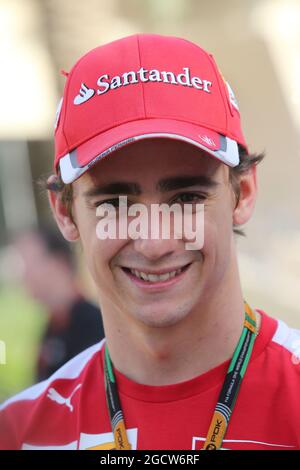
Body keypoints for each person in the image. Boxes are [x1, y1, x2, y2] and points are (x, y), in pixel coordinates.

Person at [0, 33, 299, 451]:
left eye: (187, 198)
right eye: (114, 205)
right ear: (65, 212)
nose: (154, 242)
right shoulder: (18, 434)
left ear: (243, 193)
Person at [14, 228, 105, 381]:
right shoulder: (53, 325)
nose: (23, 274)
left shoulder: (93, 325)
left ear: (59, 262)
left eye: (28, 262)